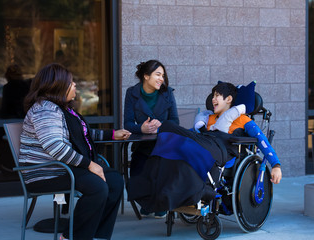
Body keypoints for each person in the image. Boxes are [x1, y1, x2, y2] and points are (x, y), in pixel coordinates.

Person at [128, 82, 282, 213]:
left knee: (169, 128)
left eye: (217, 96)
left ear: (229, 99)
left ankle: (201, 192)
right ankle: (156, 192)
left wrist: (275, 164)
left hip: (221, 149)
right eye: (213, 95)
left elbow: (262, 140)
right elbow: (191, 134)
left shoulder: (242, 119)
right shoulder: (208, 118)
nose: (212, 99)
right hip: (202, 143)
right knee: (168, 131)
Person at [19, 63, 131, 240]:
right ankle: (72, 236)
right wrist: (90, 164)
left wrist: (112, 134)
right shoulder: (45, 109)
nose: (75, 85)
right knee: (97, 186)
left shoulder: (62, 109)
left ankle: (96, 234)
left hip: (62, 168)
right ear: (58, 85)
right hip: (44, 173)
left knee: (115, 181)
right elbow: (55, 147)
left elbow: (81, 134)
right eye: (71, 83)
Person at [124, 59, 179, 218]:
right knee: (137, 171)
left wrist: (160, 125)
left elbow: (175, 121)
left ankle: (160, 202)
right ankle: (147, 201)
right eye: (158, 74)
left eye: (163, 75)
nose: (162, 79)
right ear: (146, 76)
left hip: (164, 144)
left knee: (160, 165)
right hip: (143, 145)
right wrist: (141, 128)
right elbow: (127, 123)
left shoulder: (167, 92)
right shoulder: (132, 93)